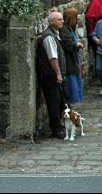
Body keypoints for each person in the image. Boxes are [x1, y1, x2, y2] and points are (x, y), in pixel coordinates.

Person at [36, 11, 67, 139]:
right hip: (50, 75)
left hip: (53, 74)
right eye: (59, 19)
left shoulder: (55, 34)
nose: (62, 21)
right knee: (53, 101)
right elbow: (52, 57)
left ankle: (61, 125)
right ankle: (56, 128)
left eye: (62, 19)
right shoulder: (49, 37)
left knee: (59, 100)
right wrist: (58, 74)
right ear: (51, 22)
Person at [59, 8, 84, 107]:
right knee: (70, 87)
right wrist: (76, 45)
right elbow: (68, 44)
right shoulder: (64, 30)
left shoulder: (69, 29)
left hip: (74, 61)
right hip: (69, 63)